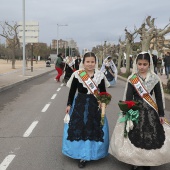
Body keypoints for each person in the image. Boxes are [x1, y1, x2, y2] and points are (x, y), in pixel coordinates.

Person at [109, 52, 170, 170]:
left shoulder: (155, 78)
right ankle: (134, 161)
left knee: (150, 136)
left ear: (149, 65)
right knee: (134, 134)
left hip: (150, 110)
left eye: (145, 64)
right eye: (139, 64)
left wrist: (161, 114)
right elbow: (128, 97)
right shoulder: (133, 79)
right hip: (135, 109)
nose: (142, 67)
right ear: (136, 64)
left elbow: (158, 97)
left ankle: (147, 162)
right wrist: (127, 111)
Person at [62, 52, 110, 168]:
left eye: (92, 62)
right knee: (81, 128)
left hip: (95, 106)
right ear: (83, 63)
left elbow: (103, 92)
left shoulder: (100, 75)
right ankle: (82, 155)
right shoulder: (78, 74)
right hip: (80, 105)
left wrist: (103, 104)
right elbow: (72, 91)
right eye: (87, 62)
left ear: (95, 63)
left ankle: (93, 153)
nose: (90, 64)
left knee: (93, 128)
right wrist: (69, 105)